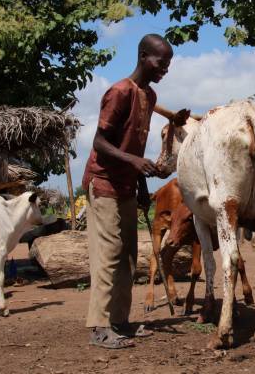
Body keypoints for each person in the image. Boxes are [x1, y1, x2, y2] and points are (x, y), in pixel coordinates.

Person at [82, 33, 189, 349]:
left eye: (168, 64)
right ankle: (99, 328)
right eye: (161, 62)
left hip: (127, 186)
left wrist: (142, 185)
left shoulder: (150, 96)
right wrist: (134, 162)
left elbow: (136, 145)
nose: (165, 69)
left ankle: (120, 322)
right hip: (103, 184)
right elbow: (99, 143)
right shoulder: (119, 92)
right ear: (143, 56)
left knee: (129, 257)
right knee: (108, 255)